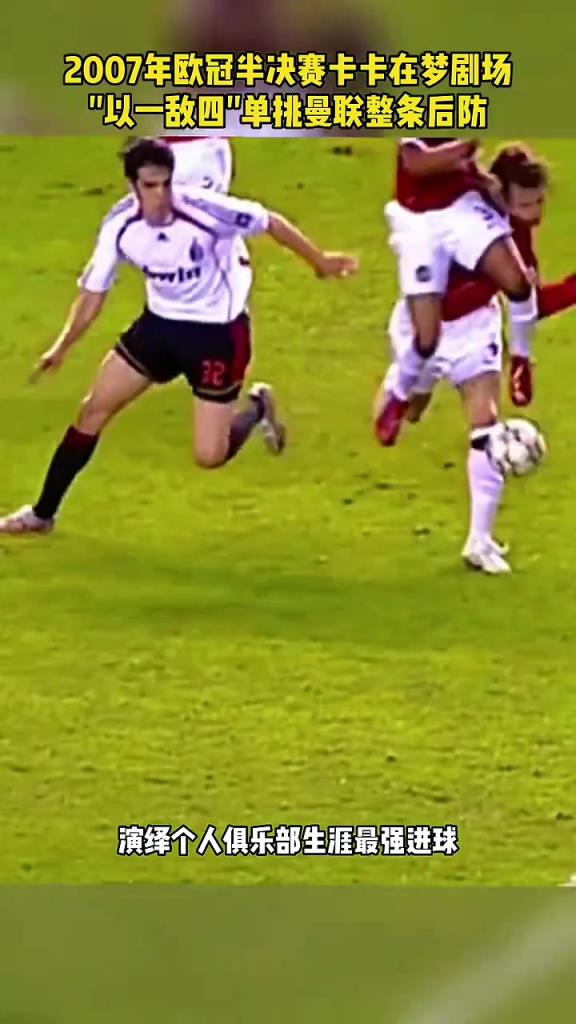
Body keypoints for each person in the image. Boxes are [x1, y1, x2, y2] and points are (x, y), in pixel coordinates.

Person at [0, 138, 358, 535]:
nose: (161, 196)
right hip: (160, 326)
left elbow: (269, 222)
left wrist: (320, 262)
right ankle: (42, 514)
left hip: (216, 335)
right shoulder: (120, 225)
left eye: (166, 184)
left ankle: (257, 407)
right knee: (92, 411)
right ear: (133, 186)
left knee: (209, 455)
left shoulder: (204, 210)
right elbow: (93, 295)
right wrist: (62, 347)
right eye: (150, 186)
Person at [374, 143, 576, 574]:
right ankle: (401, 387)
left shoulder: (515, 234)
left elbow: (529, 301)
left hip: (475, 331)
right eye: (527, 204)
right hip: (427, 327)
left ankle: (479, 542)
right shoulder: (461, 214)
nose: (536, 214)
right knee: (412, 412)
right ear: (499, 192)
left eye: (540, 202)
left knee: (485, 424)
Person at [378, 138, 538, 446]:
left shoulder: (491, 206)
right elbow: (416, 163)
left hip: (461, 213)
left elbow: (531, 292)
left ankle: (522, 362)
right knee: (426, 341)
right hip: (420, 222)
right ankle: (399, 394)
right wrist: (468, 146)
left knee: (518, 283)